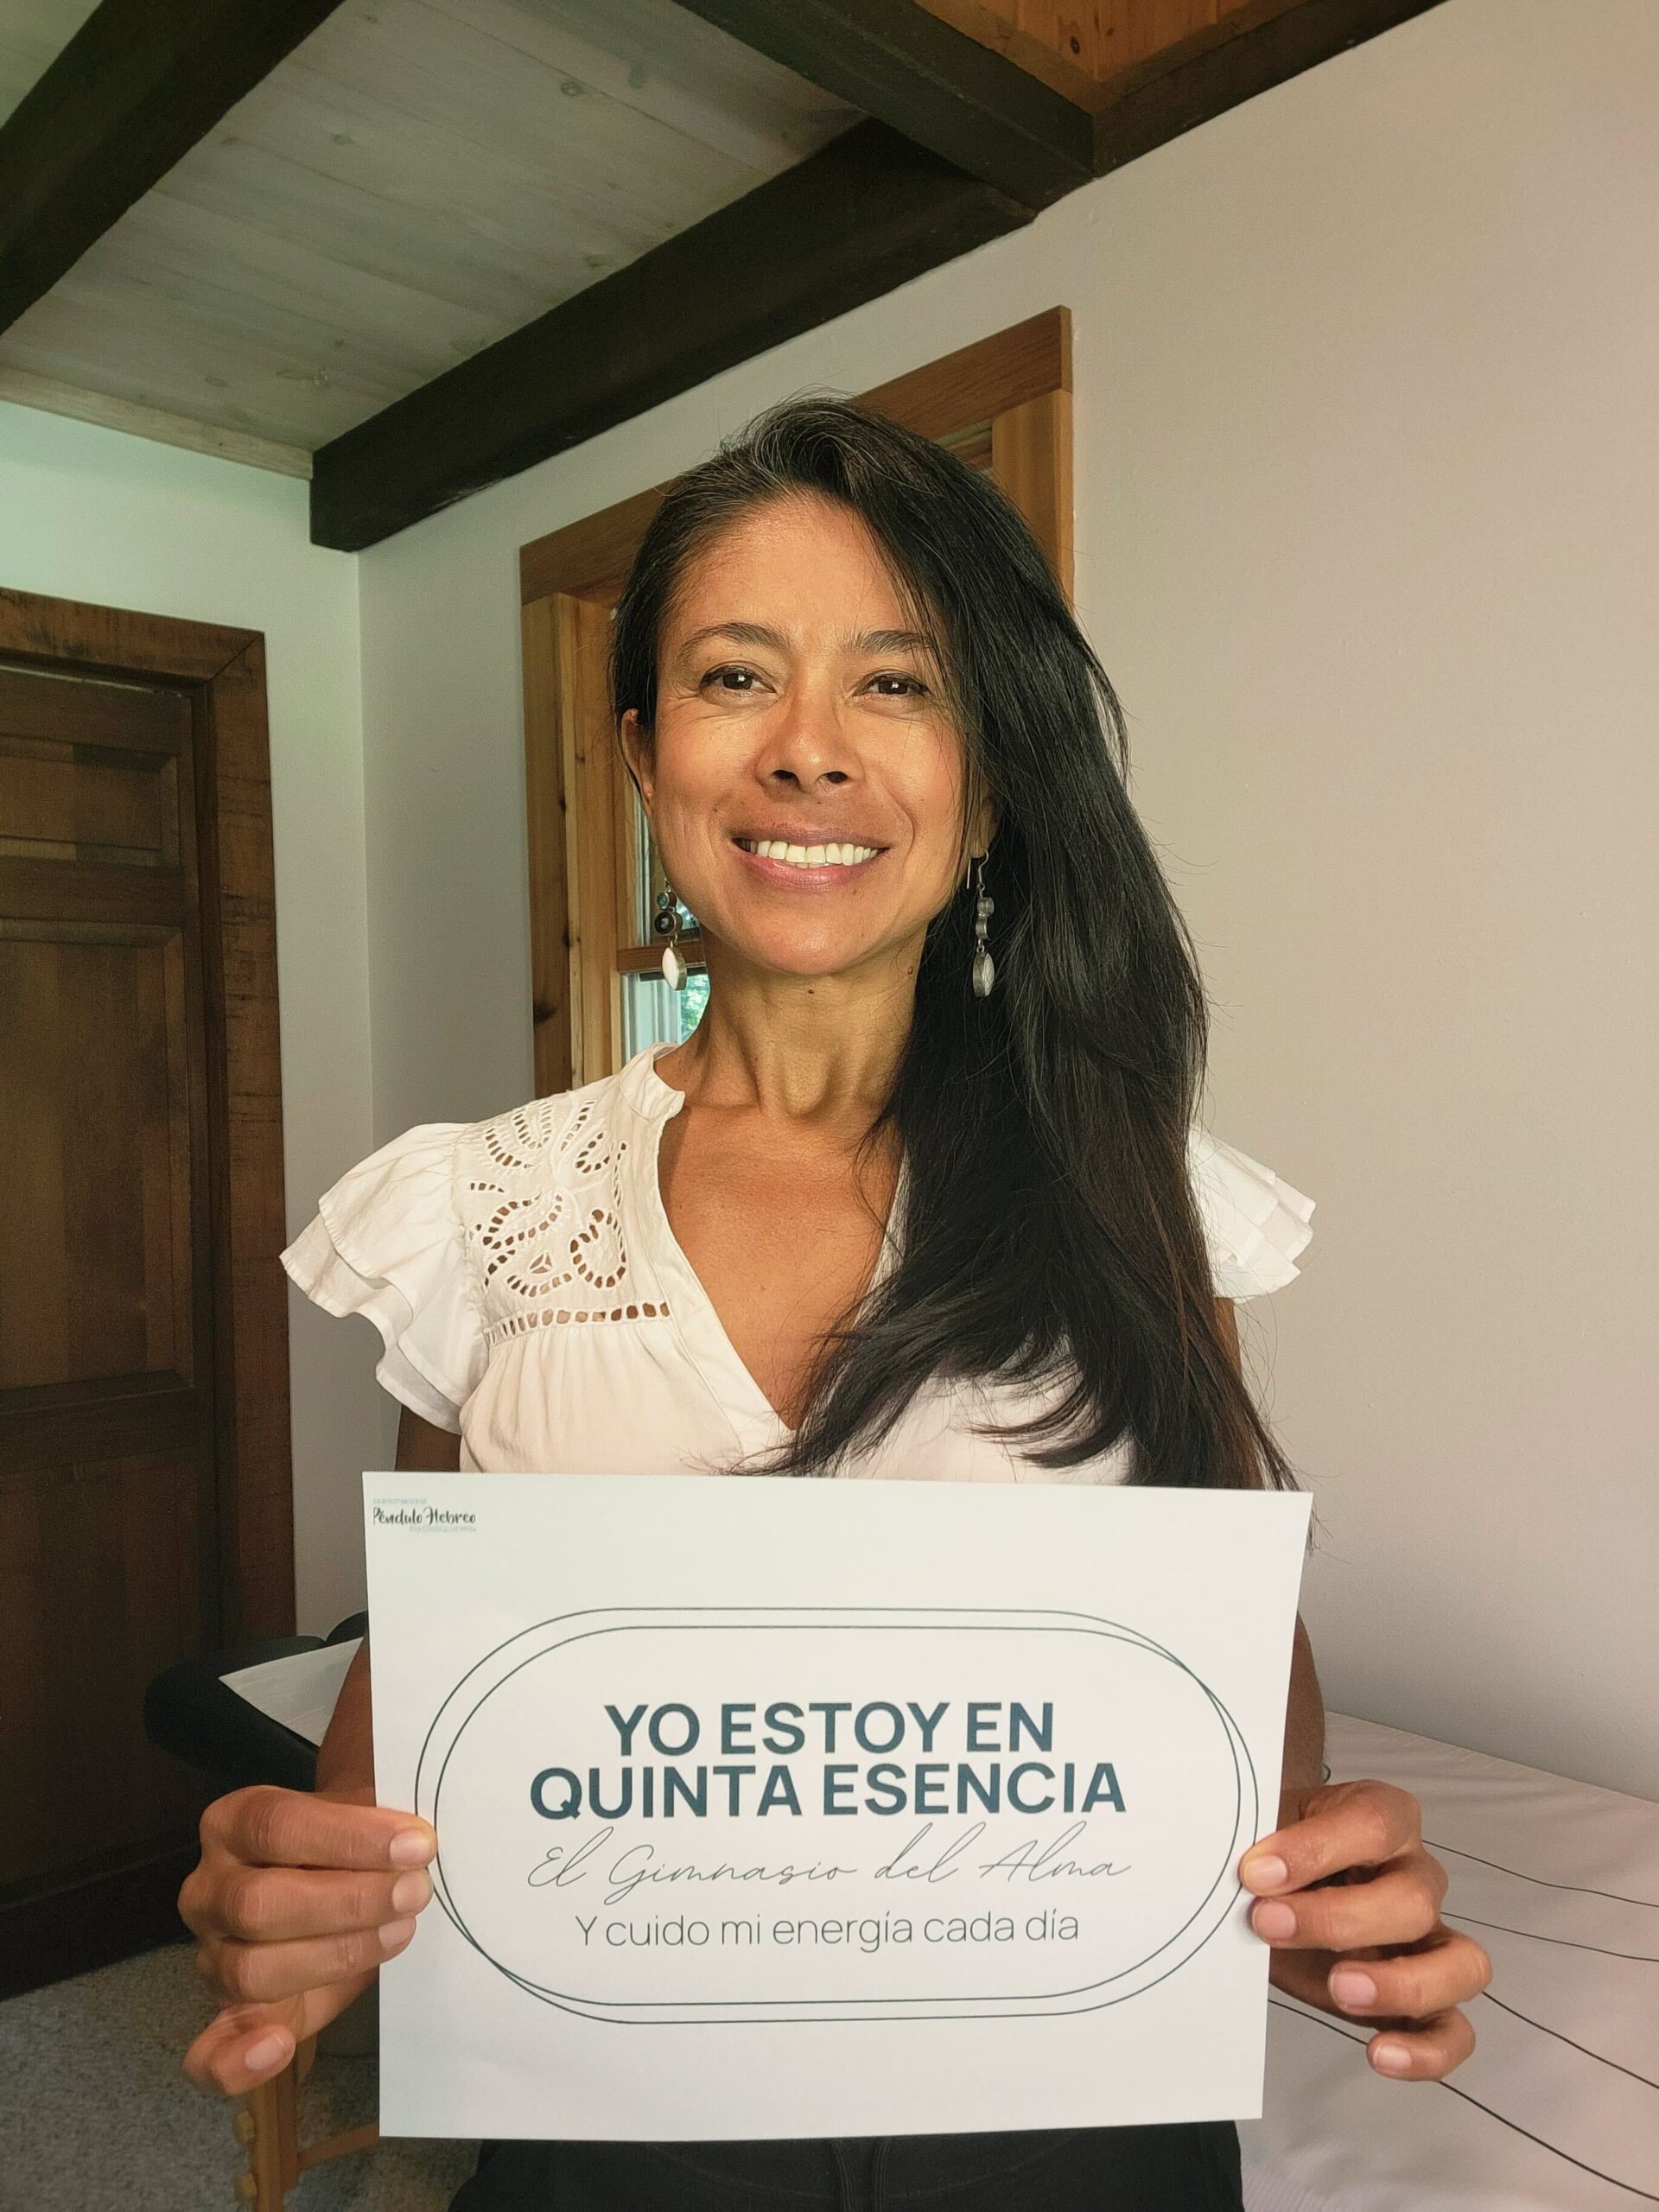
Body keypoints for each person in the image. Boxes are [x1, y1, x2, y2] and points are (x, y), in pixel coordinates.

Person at [179, 399, 1491, 2208]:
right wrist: (304, 1896)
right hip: (612, 2155)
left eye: (897, 683)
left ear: (992, 778)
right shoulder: (479, 1211)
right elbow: (410, 1721)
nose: (808, 751)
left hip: (1076, 2146)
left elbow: (1239, 1706)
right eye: (736, 677)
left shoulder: (1142, 1195)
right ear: (643, 759)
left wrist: (1323, 1900)